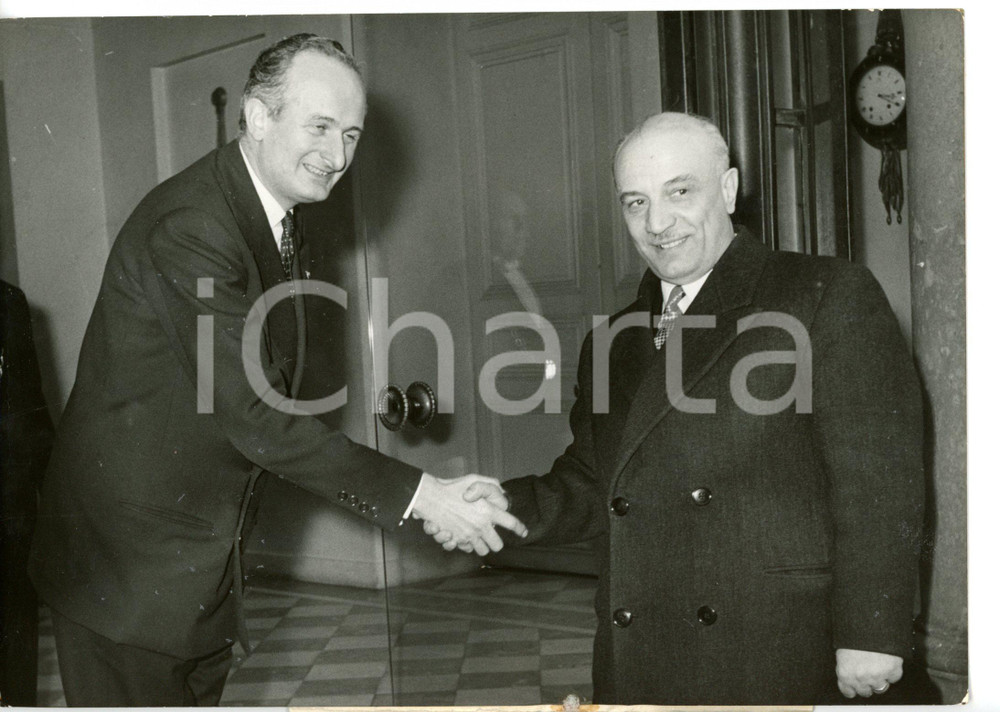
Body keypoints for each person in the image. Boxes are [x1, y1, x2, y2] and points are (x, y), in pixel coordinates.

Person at [27, 33, 523, 707]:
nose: (338, 155)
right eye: (319, 127)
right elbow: (255, 415)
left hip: (188, 571)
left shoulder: (270, 216)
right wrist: (425, 495)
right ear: (259, 118)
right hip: (127, 577)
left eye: (351, 134)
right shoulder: (195, 225)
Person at [429, 112, 925, 705]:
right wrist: (501, 507)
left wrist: (873, 631)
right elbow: (594, 481)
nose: (657, 223)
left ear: (728, 188)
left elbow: (878, 482)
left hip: (779, 648)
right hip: (644, 655)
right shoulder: (610, 340)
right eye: (635, 202)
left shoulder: (824, 294)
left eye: (679, 192)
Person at [0, 280, 54, 706]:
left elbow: (32, 412)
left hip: (10, 506)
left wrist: (52, 503)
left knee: (17, 630)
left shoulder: (8, 302)